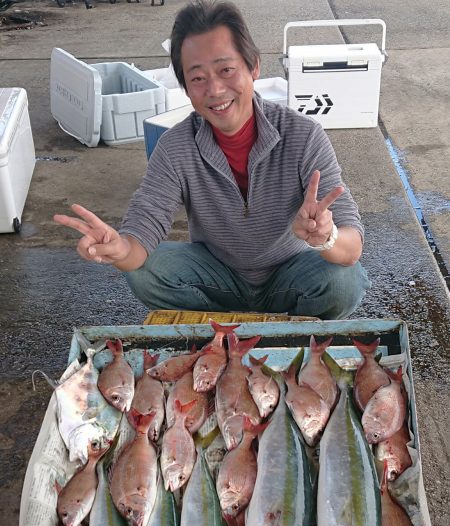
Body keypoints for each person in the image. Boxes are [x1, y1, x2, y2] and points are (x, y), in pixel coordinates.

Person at [54, 0, 370, 320]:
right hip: (217, 277)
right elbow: (144, 226)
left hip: (289, 276)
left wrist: (324, 236)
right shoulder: (175, 146)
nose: (215, 89)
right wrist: (119, 249)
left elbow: (352, 244)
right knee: (143, 271)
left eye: (226, 70)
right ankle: (220, 332)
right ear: (186, 88)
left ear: (254, 66)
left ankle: (287, 331)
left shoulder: (304, 135)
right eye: (198, 78)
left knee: (344, 281)